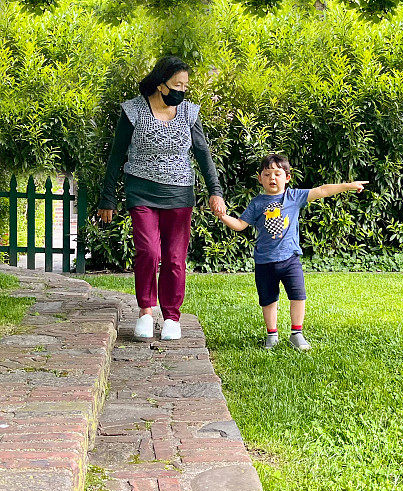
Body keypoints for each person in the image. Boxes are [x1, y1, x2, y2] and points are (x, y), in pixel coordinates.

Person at [97, 56, 226, 341]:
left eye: (185, 86)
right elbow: (116, 155)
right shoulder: (133, 111)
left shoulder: (189, 114)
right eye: (177, 84)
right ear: (160, 83)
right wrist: (108, 198)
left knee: (175, 259)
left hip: (180, 193)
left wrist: (215, 191)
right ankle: (146, 311)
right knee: (149, 252)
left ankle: (172, 317)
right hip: (141, 190)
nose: (182, 90)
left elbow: (203, 155)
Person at [216, 153, 367, 350]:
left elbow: (322, 190)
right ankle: (272, 335)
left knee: (298, 296)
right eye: (267, 174)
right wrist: (223, 216)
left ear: (287, 177)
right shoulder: (257, 203)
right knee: (268, 299)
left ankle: (297, 334)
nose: (272, 178)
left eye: (277, 174)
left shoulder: (294, 197)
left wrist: (347, 186)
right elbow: (240, 225)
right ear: (259, 178)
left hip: (290, 260)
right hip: (264, 262)